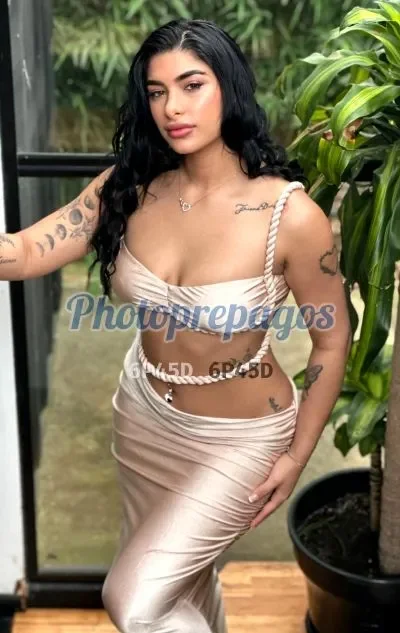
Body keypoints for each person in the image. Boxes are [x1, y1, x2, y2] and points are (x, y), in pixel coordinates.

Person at [0, 18, 352, 633]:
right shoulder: (130, 188)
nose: (172, 108)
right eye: (157, 92)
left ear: (229, 88)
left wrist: (297, 456)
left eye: (192, 85)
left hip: (239, 440)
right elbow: (27, 251)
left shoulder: (290, 215)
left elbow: (331, 336)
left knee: (134, 600)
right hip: (143, 418)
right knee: (181, 585)